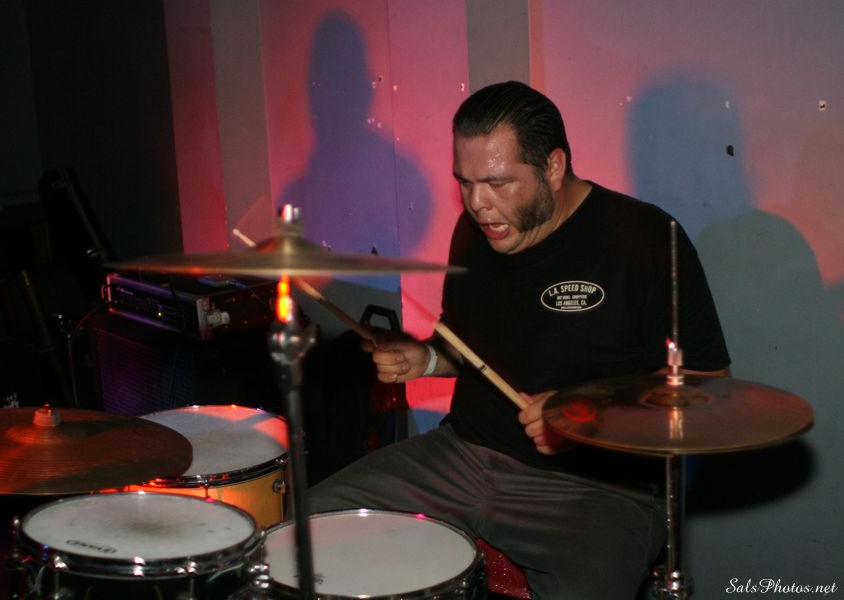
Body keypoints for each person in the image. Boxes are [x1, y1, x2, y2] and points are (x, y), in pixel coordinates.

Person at [308, 81, 730, 599]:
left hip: (599, 487)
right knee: (313, 527)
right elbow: (468, 348)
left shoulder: (646, 240)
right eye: (465, 183)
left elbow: (707, 385)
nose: (477, 204)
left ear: (553, 167)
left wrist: (586, 413)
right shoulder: (474, 232)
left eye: (498, 182)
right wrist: (427, 358)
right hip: (463, 455)